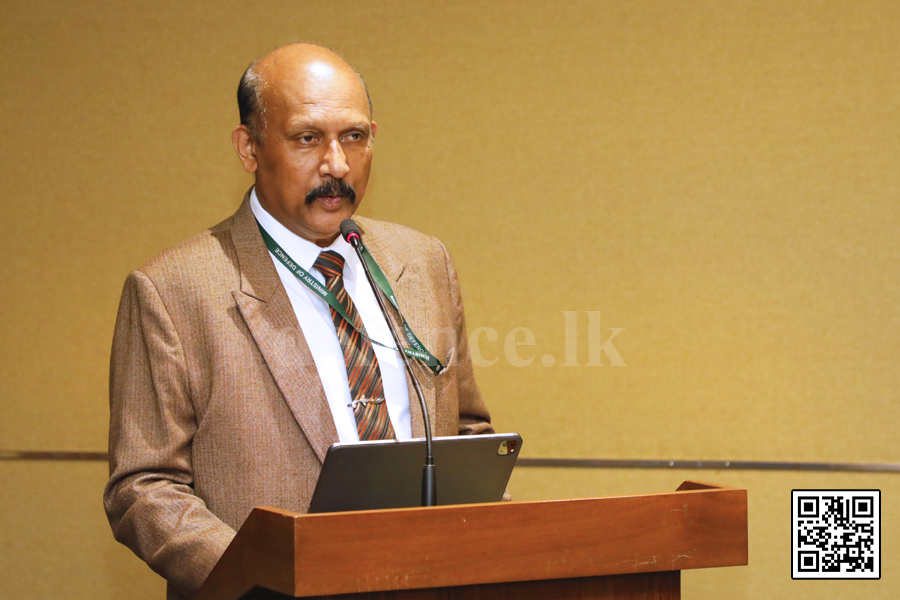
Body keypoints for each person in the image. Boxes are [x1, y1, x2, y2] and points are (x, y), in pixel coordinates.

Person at [104, 43, 494, 600]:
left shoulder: (422, 261)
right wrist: (258, 577)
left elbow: (467, 432)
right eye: (307, 138)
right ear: (248, 147)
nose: (336, 165)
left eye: (354, 137)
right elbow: (143, 488)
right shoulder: (173, 290)